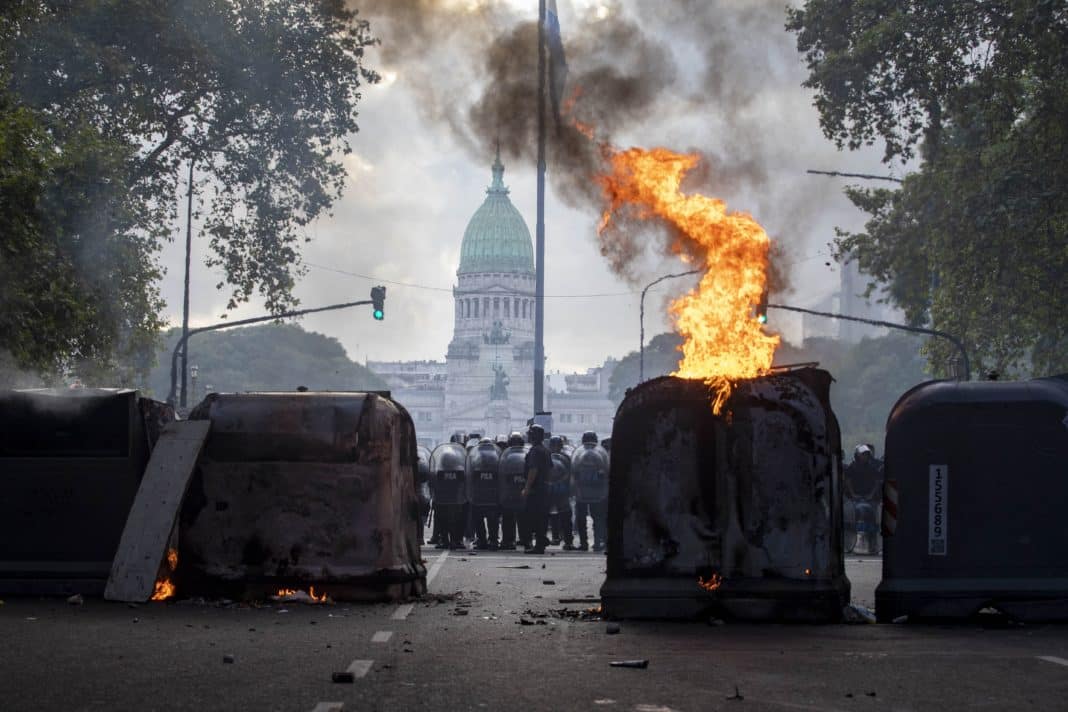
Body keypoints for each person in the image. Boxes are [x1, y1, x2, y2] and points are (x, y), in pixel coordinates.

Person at [844, 444, 883, 553]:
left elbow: (876, 483)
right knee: (851, 517)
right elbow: (848, 482)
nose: (865, 456)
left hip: (869, 498)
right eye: (863, 454)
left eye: (866, 454)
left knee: (874, 518)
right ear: (857, 455)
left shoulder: (872, 468)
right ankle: (851, 543)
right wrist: (853, 494)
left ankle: (873, 544)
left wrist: (871, 495)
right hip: (855, 499)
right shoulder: (851, 468)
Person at [521, 424, 552, 554]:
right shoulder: (545, 450)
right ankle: (541, 542)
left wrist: (527, 488)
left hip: (536, 490)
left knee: (533, 517)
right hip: (544, 489)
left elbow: (533, 470)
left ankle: (539, 545)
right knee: (542, 517)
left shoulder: (535, 451)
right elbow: (550, 469)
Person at [547, 435, 574, 550]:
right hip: (554, 489)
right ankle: (558, 538)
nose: (556, 447)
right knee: (555, 515)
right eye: (554, 445)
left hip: (561, 489)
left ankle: (567, 540)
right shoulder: (549, 457)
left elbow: (570, 473)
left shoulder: (565, 458)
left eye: (557, 445)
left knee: (564, 515)